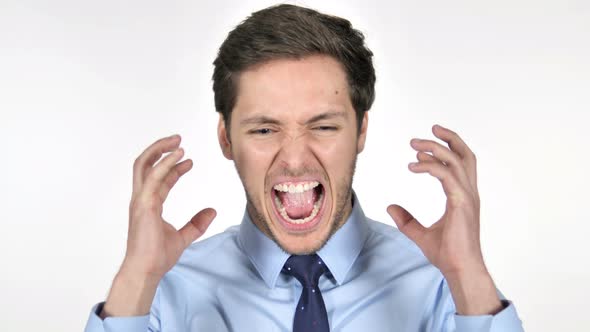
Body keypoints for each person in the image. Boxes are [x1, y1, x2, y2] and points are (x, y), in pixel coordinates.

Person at [84, 4, 524, 332]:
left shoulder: (443, 284)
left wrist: (468, 278)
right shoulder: (162, 291)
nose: (294, 158)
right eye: (263, 131)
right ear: (226, 139)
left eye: (324, 126)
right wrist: (136, 282)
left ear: (361, 131)